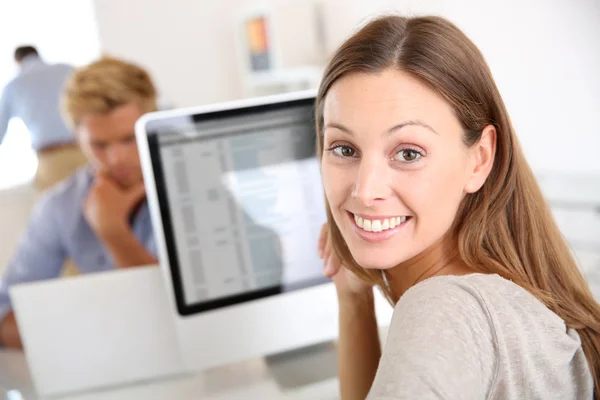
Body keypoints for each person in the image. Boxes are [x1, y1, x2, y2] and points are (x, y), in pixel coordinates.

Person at [316, 15, 600, 399]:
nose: (366, 191)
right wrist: (354, 299)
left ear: (479, 159)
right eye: (344, 149)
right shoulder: (502, 297)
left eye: (408, 153)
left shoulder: (444, 309)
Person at [0, 57, 159, 349]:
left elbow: (180, 314)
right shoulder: (60, 205)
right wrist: (91, 330)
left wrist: (113, 232)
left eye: (129, 139)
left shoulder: (192, 182)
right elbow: (5, 315)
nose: (116, 159)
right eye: (100, 144)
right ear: (76, 138)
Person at [0, 46, 87, 191]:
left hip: (51, 159)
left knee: (58, 211)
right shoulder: (67, 69)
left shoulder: (13, 86)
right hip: (85, 150)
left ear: (18, 61)